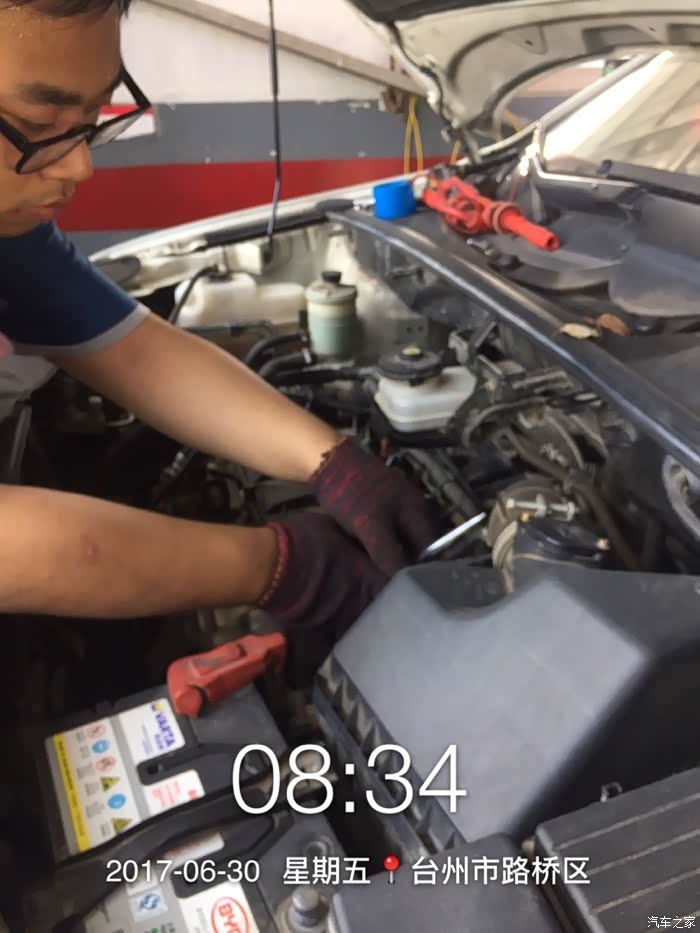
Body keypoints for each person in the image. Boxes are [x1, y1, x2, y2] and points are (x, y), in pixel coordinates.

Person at [0, 0, 440, 634]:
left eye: (93, 119)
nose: (80, 166)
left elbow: (134, 352)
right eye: (41, 123)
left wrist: (332, 462)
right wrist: (280, 566)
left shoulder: (11, 238)